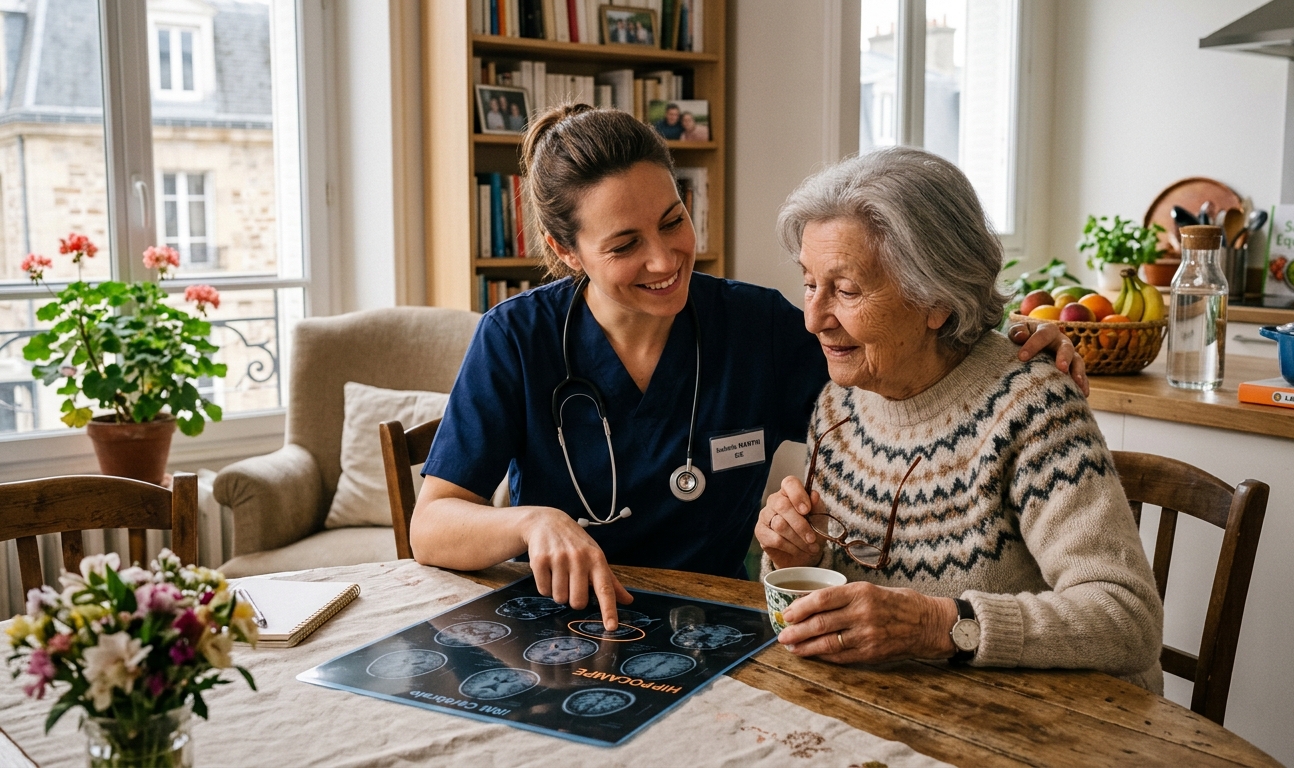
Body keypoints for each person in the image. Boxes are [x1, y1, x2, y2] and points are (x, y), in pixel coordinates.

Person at [410, 105, 1086, 632]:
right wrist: (531, 524)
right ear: (567, 251)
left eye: (673, 220)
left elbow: (899, 376)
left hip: (714, 624)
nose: (666, 258)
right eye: (624, 244)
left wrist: (998, 340)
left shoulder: (754, 326)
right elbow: (432, 525)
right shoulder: (517, 337)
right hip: (562, 624)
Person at [755, 146, 1164, 692]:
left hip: (1052, 724)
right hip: (907, 709)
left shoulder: (1031, 406)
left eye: (846, 289)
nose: (812, 319)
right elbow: (857, 598)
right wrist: (797, 557)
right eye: (810, 284)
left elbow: (1127, 619)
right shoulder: (839, 404)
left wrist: (941, 625)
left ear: (936, 300)